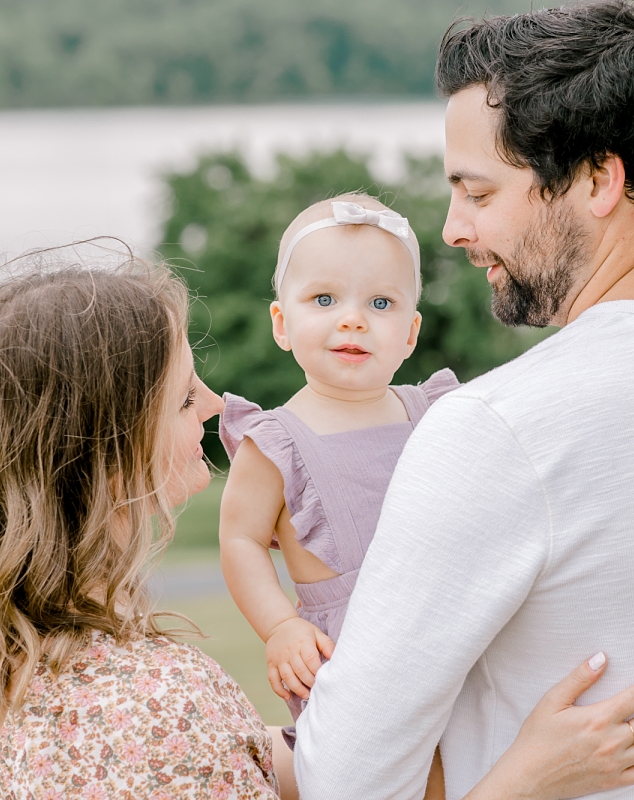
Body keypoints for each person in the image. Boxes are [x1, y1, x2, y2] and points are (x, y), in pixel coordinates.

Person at [293, 3, 634, 800]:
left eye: (478, 193)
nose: (452, 229)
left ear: (597, 179)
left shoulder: (500, 427)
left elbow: (342, 782)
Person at [0, 252, 634, 800]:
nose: (216, 406)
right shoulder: (154, 701)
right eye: (185, 398)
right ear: (108, 457)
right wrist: (530, 777)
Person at [218, 194, 458, 749]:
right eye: (324, 299)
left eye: (380, 303)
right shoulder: (277, 441)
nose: (352, 318)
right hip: (347, 653)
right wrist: (280, 625)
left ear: (411, 333)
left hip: (444, 627)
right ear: (282, 322)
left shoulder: (435, 414)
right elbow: (242, 539)